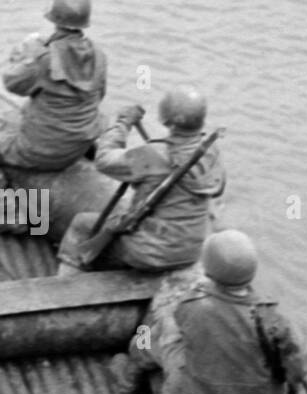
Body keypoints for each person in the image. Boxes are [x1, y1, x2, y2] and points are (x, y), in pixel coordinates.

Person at [109, 229, 307, 394]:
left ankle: (130, 375)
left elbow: (186, 332)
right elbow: (299, 367)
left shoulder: (192, 306)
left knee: (156, 330)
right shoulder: (273, 319)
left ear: (209, 269)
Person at [0, 0, 107, 234]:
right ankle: (92, 154)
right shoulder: (99, 54)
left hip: (43, 151)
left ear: (53, 18)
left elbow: (12, 83)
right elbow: (99, 95)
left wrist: (25, 55)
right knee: (94, 115)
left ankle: (10, 214)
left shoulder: (43, 58)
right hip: (81, 142)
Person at [56, 85, 225, 273]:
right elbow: (216, 189)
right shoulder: (211, 152)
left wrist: (122, 123)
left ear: (168, 120)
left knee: (82, 224)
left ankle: (66, 281)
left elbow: (104, 160)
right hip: (191, 251)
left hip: (150, 253)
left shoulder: (153, 154)